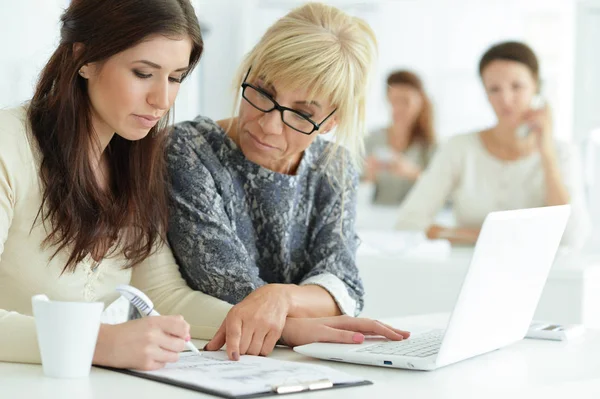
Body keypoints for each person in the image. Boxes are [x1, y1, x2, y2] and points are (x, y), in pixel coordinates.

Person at [0, 0, 408, 370]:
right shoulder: (9, 145)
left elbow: (165, 294)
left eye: (176, 77)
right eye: (144, 73)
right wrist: (96, 343)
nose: (162, 99)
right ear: (83, 57)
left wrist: (284, 328)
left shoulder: (135, 161)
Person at [166, 2, 409, 361]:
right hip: (206, 356)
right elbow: (228, 286)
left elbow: (345, 283)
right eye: (263, 93)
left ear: (331, 121)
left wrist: (281, 297)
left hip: (296, 358)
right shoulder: (187, 150)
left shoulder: (334, 166)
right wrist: (310, 308)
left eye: (301, 113)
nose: (269, 125)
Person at [395, 41, 591, 246]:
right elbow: (408, 221)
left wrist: (547, 153)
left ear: (536, 87)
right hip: (467, 272)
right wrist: (484, 238)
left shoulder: (562, 153)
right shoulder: (459, 148)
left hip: (542, 277)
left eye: (517, 86)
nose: (505, 99)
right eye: (494, 89)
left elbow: (572, 236)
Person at [363, 70, 436, 206]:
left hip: (414, 221)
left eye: (405, 101)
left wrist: (413, 172)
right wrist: (369, 176)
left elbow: (447, 193)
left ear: (421, 101)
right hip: (376, 219)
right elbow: (354, 192)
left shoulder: (433, 145)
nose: (398, 108)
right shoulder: (372, 139)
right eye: (393, 101)